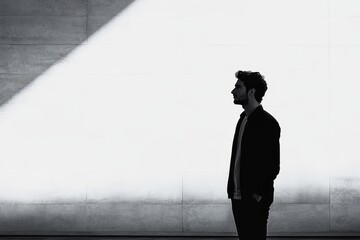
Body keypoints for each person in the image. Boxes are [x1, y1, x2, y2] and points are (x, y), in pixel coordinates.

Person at [227, 70, 280, 240]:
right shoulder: (243, 119)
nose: (233, 91)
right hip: (238, 196)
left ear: (251, 92)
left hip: (253, 199)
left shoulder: (267, 123)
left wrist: (257, 195)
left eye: (238, 87)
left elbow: (272, 166)